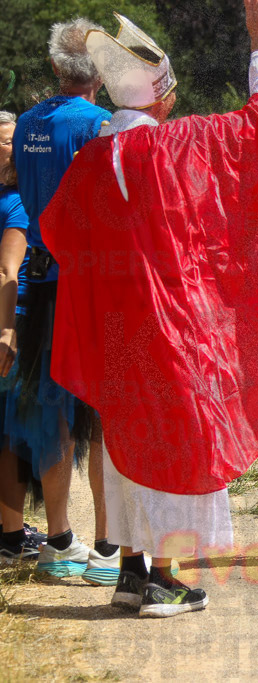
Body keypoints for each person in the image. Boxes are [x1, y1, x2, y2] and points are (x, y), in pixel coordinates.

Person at [41, 0, 258, 617]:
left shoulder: (93, 158)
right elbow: (256, 125)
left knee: (127, 438)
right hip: (170, 328)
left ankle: (132, 571)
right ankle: (165, 577)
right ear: (160, 95)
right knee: (180, 438)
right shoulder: (170, 144)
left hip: (118, 330)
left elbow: (59, 232)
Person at [10, 17, 111, 579]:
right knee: (101, 417)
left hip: (41, 282)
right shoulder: (101, 125)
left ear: (54, 65)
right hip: (90, 283)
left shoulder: (27, 123)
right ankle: (108, 548)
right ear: (101, 72)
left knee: (53, 413)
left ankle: (58, 540)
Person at [0, 110, 44, 563]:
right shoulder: (15, 202)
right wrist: (8, 330)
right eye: (7, 141)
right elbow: (6, 270)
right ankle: (12, 537)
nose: (17, 148)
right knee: (10, 435)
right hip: (10, 320)